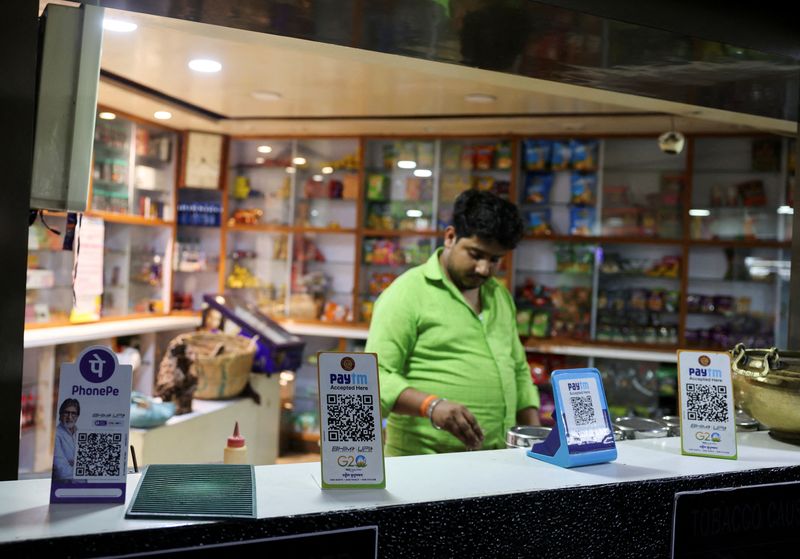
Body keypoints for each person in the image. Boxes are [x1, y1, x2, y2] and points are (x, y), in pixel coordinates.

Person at [365, 189, 539, 456]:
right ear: (450, 237)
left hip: (497, 458)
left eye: (495, 260)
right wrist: (431, 406)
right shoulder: (406, 293)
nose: (484, 269)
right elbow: (375, 376)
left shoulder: (499, 296)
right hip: (423, 462)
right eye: (476, 254)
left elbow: (518, 370)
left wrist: (536, 437)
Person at [53, 398, 80, 480]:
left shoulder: (79, 433)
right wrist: (79, 466)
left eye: (73, 413)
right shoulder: (55, 435)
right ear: (60, 415)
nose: (70, 417)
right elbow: (62, 472)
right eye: (66, 413)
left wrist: (72, 463)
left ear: (77, 416)